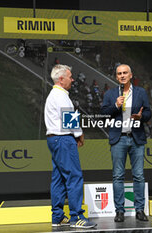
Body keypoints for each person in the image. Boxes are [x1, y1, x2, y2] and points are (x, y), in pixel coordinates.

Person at [44, 64, 97, 229]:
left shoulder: (55, 94)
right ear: (61, 79)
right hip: (63, 139)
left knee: (58, 178)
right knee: (74, 177)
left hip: (55, 139)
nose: (72, 79)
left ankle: (58, 216)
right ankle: (77, 217)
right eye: (70, 76)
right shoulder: (60, 96)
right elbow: (70, 119)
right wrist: (79, 135)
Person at [101, 64, 152, 222]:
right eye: (119, 73)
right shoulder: (110, 94)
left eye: (125, 73)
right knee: (118, 176)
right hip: (118, 138)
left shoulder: (141, 92)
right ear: (116, 77)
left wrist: (140, 117)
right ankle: (119, 211)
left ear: (131, 75)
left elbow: (148, 113)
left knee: (138, 175)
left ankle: (140, 210)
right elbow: (103, 113)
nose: (122, 75)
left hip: (136, 137)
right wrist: (116, 105)